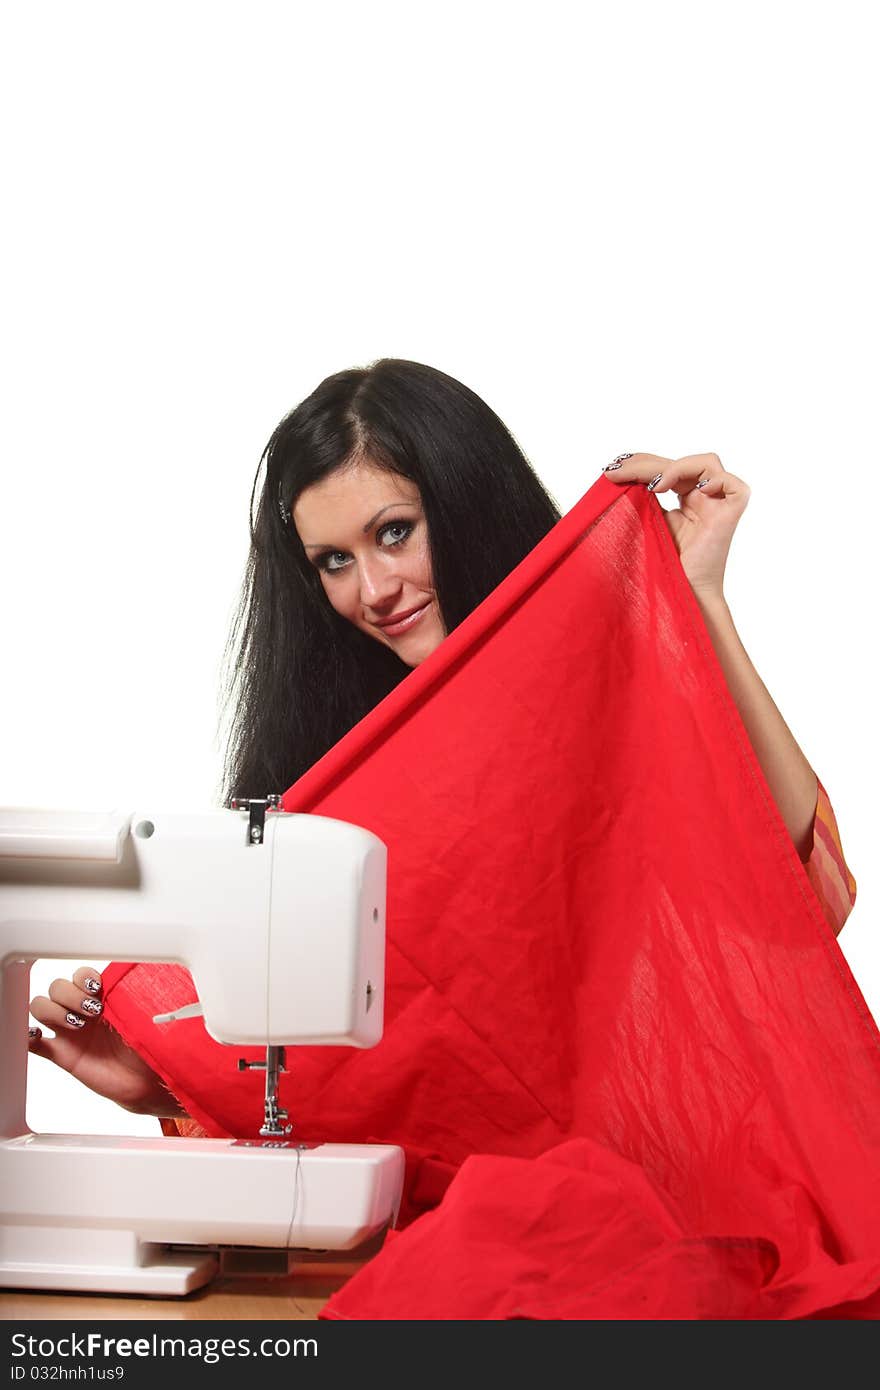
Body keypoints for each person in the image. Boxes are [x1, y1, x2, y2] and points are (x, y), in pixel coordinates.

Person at [26, 357, 857, 1122]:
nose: (375, 591)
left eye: (394, 532)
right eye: (332, 561)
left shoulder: (602, 677)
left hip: (645, 1154)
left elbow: (795, 889)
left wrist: (701, 600)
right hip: (448, 1177)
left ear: (466, 503)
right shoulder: (335, 764)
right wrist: (163, 1082)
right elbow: (336, 1050)